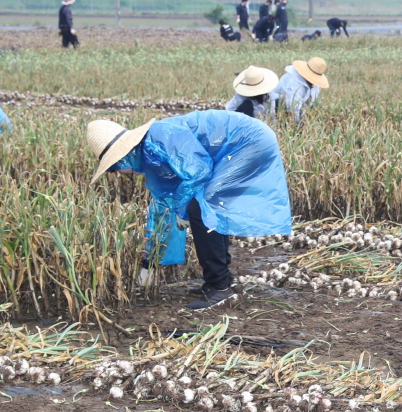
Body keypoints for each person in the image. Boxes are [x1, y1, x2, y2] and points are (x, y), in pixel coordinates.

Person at [86, 111, 292, 310]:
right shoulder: (150, 148)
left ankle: (220, 287)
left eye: (114, 169)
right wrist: (149, 259)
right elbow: (167, 199)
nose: (119, 175)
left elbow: (198, 171)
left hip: (247, 143)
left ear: (123, 157)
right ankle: (221, 281)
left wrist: (183, 211)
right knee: (208, 210)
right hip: (241, 144)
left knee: (202, 210)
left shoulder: (159, 139)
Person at [272, 57, 328, 123]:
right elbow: (293, 107)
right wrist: (298, 126)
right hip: (278, 104)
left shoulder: (314, 84)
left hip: (297, 105)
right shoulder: (294, 81)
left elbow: (310, 101)